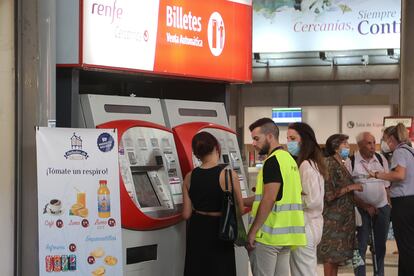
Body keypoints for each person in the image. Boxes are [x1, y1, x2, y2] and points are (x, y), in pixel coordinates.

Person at [244, 118, 306, 276]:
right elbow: (279, 195)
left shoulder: (272, 162)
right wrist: (242, 201)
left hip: (269, 236)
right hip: (286, 237)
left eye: (256, 138)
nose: (253, 143)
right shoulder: (289, 160)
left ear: (270, 136)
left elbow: (269, 199)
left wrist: (252, 232)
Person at [182, 131, 244, 276]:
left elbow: (186, 214)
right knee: (221, 268)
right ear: (217, 148)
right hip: (220, 229)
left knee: (197, 268)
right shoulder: (228, 175)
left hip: (197, 229)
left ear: (196, 154)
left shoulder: (189, 177)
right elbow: (239, 209)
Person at [366, 123, 414, 276]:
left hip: (404, 203)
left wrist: (377, 175)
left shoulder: (399, 152)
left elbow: (399, 175)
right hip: (410, 201)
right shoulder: (410, 151)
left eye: (385, 139)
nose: (384, 143)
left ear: (392, 139)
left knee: (405, 246)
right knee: (409, 244)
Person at [317, 134, 363, 276]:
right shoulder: (329, 164)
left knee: (336, 259)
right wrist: (351, 187)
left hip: (342, 222)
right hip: (333, 222)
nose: (348, 147)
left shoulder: (341, 164)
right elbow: (329, 194)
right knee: (330, 258)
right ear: (336, 147)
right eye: (344, 144)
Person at [345, 132, 390, 276]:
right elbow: (348, 191)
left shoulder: (381, 159)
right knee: (359, 248)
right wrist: (365, 206)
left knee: (380, 247)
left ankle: (379, 273)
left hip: (381, 208)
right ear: (359, 145)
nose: (372, 147)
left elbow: (387, 185)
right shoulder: (350, 162)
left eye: (373, 142)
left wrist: (388, 206)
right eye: (369, 143)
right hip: (360, 211)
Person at [286, 122, 329, 276]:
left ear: (304, 140)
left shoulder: (305, 165)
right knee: (306, 270)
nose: (289, 142)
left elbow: (312, 200)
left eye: (292, 138)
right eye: (287, 138)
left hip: (306, 226)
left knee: (303, 271)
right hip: (313, 224)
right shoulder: (314, 163)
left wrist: (290, 199)